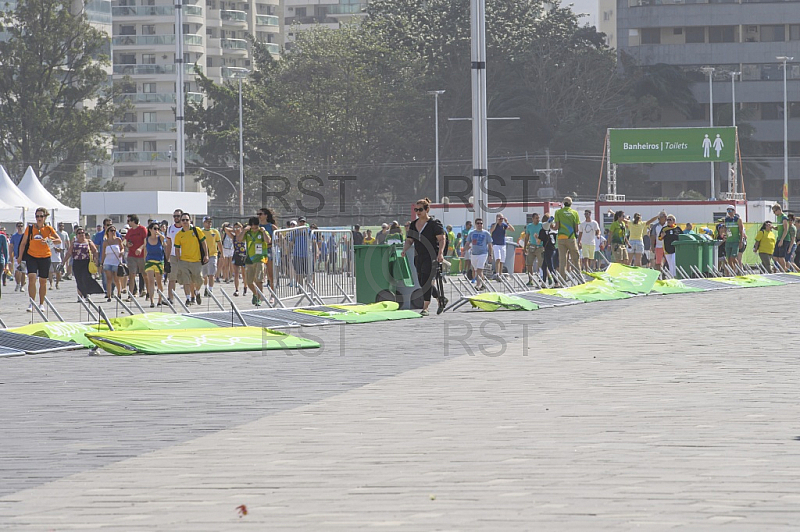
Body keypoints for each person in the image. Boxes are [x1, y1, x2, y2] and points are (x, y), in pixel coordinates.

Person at [401, 198, 446, 316]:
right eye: (416, 209)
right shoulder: (413, 225)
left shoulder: (434, 224)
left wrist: (440, 253)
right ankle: (440, 299)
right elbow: (409, 240)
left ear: (427, 210)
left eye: (420, 209)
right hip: (419, 256)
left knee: (426, 281)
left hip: (431, 256)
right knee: (422, 282)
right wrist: (404, 249)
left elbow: (441, 239)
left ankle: (425, 307)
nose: (418, 212)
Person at [18, 207, 61, 312]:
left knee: (43, 281)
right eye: (37, 216)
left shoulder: (48, 229)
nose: (39, 218)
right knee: (32, 278)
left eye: (41, 216)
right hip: (32, 256)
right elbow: (23, 243)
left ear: (45, 217)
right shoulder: (30, 228)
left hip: (45, 257)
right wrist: (19, 257)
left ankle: (41, 304)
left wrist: (48, 239)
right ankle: (31, 302)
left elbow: (58, 240)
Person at [174, 212, 209, 306]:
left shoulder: (196, 230)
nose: (185, 222)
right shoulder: (178, 235)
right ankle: (188, 299)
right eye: (183, 220)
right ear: (180, 222)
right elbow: (177, 249)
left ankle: (197, 292)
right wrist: (178, 260)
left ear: (190, 221)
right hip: (184, 261)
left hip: (196, 261)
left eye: (187, 220)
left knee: (199, 280)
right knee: (186, 281)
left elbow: (204, 243)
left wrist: (206, 255)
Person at [238, 217, 271, 306]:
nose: (255, 229)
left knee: (259, 280)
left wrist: (264, 231)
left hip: (260, 258)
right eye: (252, 227)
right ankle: (256, 293)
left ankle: (259, 298)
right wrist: (244, 231)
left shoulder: (261, 231)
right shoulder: (248, 233)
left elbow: (268, 241)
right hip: (250, 259)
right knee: (249, 282)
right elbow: (239, 239)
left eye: (256, 227)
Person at [68, 227, 103, 301]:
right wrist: (63, 262)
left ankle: (87, 293)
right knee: (78, 279)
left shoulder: (88, 241)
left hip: (86, 262)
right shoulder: (74, 243)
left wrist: (96, 259)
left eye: (82, 233)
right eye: (79, 233)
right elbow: (69, 253)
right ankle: (80, 295)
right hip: (77, 262)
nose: (81, 234)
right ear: (76, 235)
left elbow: (95, 251)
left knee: (85, 278)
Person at [140, 222, 166, 307]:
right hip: (149, 261)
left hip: (159, 261)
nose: (156, 230)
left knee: (159, 282)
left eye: (158, 229)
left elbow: (164, 240)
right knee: (151, 280)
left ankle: (160, 299)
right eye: (155, 228)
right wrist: (144, 261)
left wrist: (159, 233)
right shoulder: (146, 239)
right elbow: (145, 250)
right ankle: (151, 301)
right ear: (150, 229)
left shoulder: (160, 239)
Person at [463, 218, 493, 291]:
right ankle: (483, 283)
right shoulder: (472, 233)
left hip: (483, 253)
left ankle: (478, 285)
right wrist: (465, 249)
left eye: (481, 223)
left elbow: (490, 245)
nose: (479, 225)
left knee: (479, 270)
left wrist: (490, 255)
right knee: (477, 270)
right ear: (475, 225)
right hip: (474, 254)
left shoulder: (486, 233)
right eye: (478, 223)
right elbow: (467, 242)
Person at [554, 196, 580, 279]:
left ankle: (562, 280)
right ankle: (579, 278)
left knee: (562, 261)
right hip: (571, 238)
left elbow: (556, 227)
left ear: (563, 203)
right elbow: (576, 229)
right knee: (575, 259)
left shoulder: (558, 212)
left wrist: (550, 226)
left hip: (561, 239)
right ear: (571, 203)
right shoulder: (574, 213)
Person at [123, 214, 147, 300]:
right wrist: (127, 244)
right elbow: (125, 242)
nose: (128, 223)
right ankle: (131, 294)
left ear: (133, 221)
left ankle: (146, 291)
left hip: (141, 255)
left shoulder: (142, 229)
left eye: (129, 221)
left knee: (144, 274)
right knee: (132, 275)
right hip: (131, 255)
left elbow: (145, 242)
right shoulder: (129, 231)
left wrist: (140, 248)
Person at [100, 224, 124, 302]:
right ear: (108, 232)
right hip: (108, 262)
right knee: (109, 279)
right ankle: (109, 295)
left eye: (114, 231)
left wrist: (121, 252)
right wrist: (101, 263)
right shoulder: (105, 242)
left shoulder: (118, 240)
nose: (113, 232)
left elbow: (122, 248)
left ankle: (119, 293)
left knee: (116, 279)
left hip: (116, 262)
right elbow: (103, 253)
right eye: (111, 231)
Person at [164, 209, 184, 303]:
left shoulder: (188, 228)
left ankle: (191, 297)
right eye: (174, 216)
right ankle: (170, 298)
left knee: (190, 278)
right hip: (173, 256)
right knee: (172, 278)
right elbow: (169, 244)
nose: (176, 218)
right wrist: (167, 258)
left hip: (186, 256)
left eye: (178, 216)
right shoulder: (170, 229)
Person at [258, 207, 279, 291]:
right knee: (259, 273)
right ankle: (260, 294)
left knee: (270, 274)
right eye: (258, 214)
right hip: (259, 250)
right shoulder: (257, 227)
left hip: (269, 250)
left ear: (266, 216)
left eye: (260, 214)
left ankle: (272, 294)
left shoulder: (271, 226)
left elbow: (279, 236)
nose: (258, 216)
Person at [201, 216, 222, 296]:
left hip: (213, 254)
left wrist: (222, 254)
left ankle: (210, 289)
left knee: (211, 274)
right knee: (204, 274)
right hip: (203, 256)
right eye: (207, 222)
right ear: (204, 223)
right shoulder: (201, 231)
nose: (209, 223)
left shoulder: (215, 231)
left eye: (210, 222)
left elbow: (219, 243)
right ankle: (206, 288)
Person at [489, 213, 514, 280]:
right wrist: (496, 223)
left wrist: (507, 222)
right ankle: (497, 273)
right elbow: (491, 231)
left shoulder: (504, 225)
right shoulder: (494, 225)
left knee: (502, 260)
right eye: (500, 218)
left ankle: (500, 273)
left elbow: (512, 230)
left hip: (502, 244)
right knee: (498, 258)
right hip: (496, 244)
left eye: (502, 219)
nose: (501, 220)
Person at [524, 213, 544, 285]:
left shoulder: (541, 225)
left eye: (538, 218)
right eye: (536, 218)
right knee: (529, 264)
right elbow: (527, 237)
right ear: (532, 219)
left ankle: (543, 279)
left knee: (541, 264)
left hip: (540, 247)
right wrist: (525, 247)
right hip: (532, 246)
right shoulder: (529, 226)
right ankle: (530, 280)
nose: (538, 220)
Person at [539, 220, 558, 286]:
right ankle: (543, 282)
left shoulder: (543, 232)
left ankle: (556, 282)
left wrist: (536, 237)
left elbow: (539, 241)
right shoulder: (553, 232)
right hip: (553, 249)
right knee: (544, 266)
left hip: (547, 250)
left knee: (550, 266)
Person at [772, 203, 791, 271]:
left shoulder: (784, 217)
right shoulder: (778, 217)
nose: (774, 213)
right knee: (775, 256)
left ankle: (784, 270)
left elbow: (786, 229)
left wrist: (782, 240)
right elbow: (779, 227)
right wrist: (773, 227)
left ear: (779, 210)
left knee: (781, 257)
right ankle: (784, 269)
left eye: (775, 211)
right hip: (779, 238)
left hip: (784, 239)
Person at [9, 222, 26, 292]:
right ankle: (18, 283)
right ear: (16, 227)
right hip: (16, 256)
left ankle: (22, 286)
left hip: (24, 256)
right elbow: (11, 246)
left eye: (21, 226)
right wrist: (10, 256)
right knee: (17, 271)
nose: (20, 227)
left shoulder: (25, 236)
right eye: (19, 226)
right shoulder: (14, 236)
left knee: (23, 272)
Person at [231, 222, 246, 296]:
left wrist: (242, 231)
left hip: (244, 255)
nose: (236, 230)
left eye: (238, 228)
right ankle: (236, 289)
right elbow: (226, 229)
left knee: (244, 273)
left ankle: (245, 287)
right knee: (236, 273)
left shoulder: (244, 236)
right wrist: (233, 230)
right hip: (236, 255)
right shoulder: (233, 237)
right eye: (235, 228)